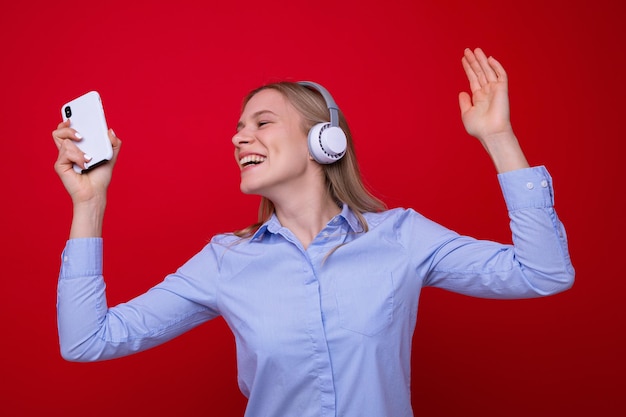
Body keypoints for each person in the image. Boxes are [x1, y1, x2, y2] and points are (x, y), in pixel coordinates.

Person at [53, 48, 574, 417]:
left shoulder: (402, 237)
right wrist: (90, 203)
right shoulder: (224, 261)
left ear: (323, 142)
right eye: (238, 127)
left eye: (261, 122)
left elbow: (544, 274)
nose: (239, 137)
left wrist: (499, 138)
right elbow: (87, 341)